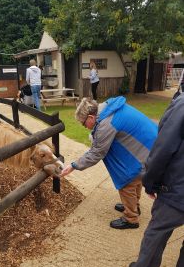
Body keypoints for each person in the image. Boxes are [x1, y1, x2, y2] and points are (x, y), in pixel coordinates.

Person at [60, 97, 157, 229]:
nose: (85, 127)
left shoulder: (106, 124)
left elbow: (97, 153)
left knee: (128, 180)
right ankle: (134, 205)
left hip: (145, 151)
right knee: (136, 177)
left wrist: (73, 166)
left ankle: (131, 218)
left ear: (90, 117)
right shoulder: (109, 108)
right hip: (150, 147)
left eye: (84, 124)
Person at [128, 94, 184, 267]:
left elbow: (163, 148)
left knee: (157, 231)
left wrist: (150, 182)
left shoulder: (182, 105)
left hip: (177, 189)